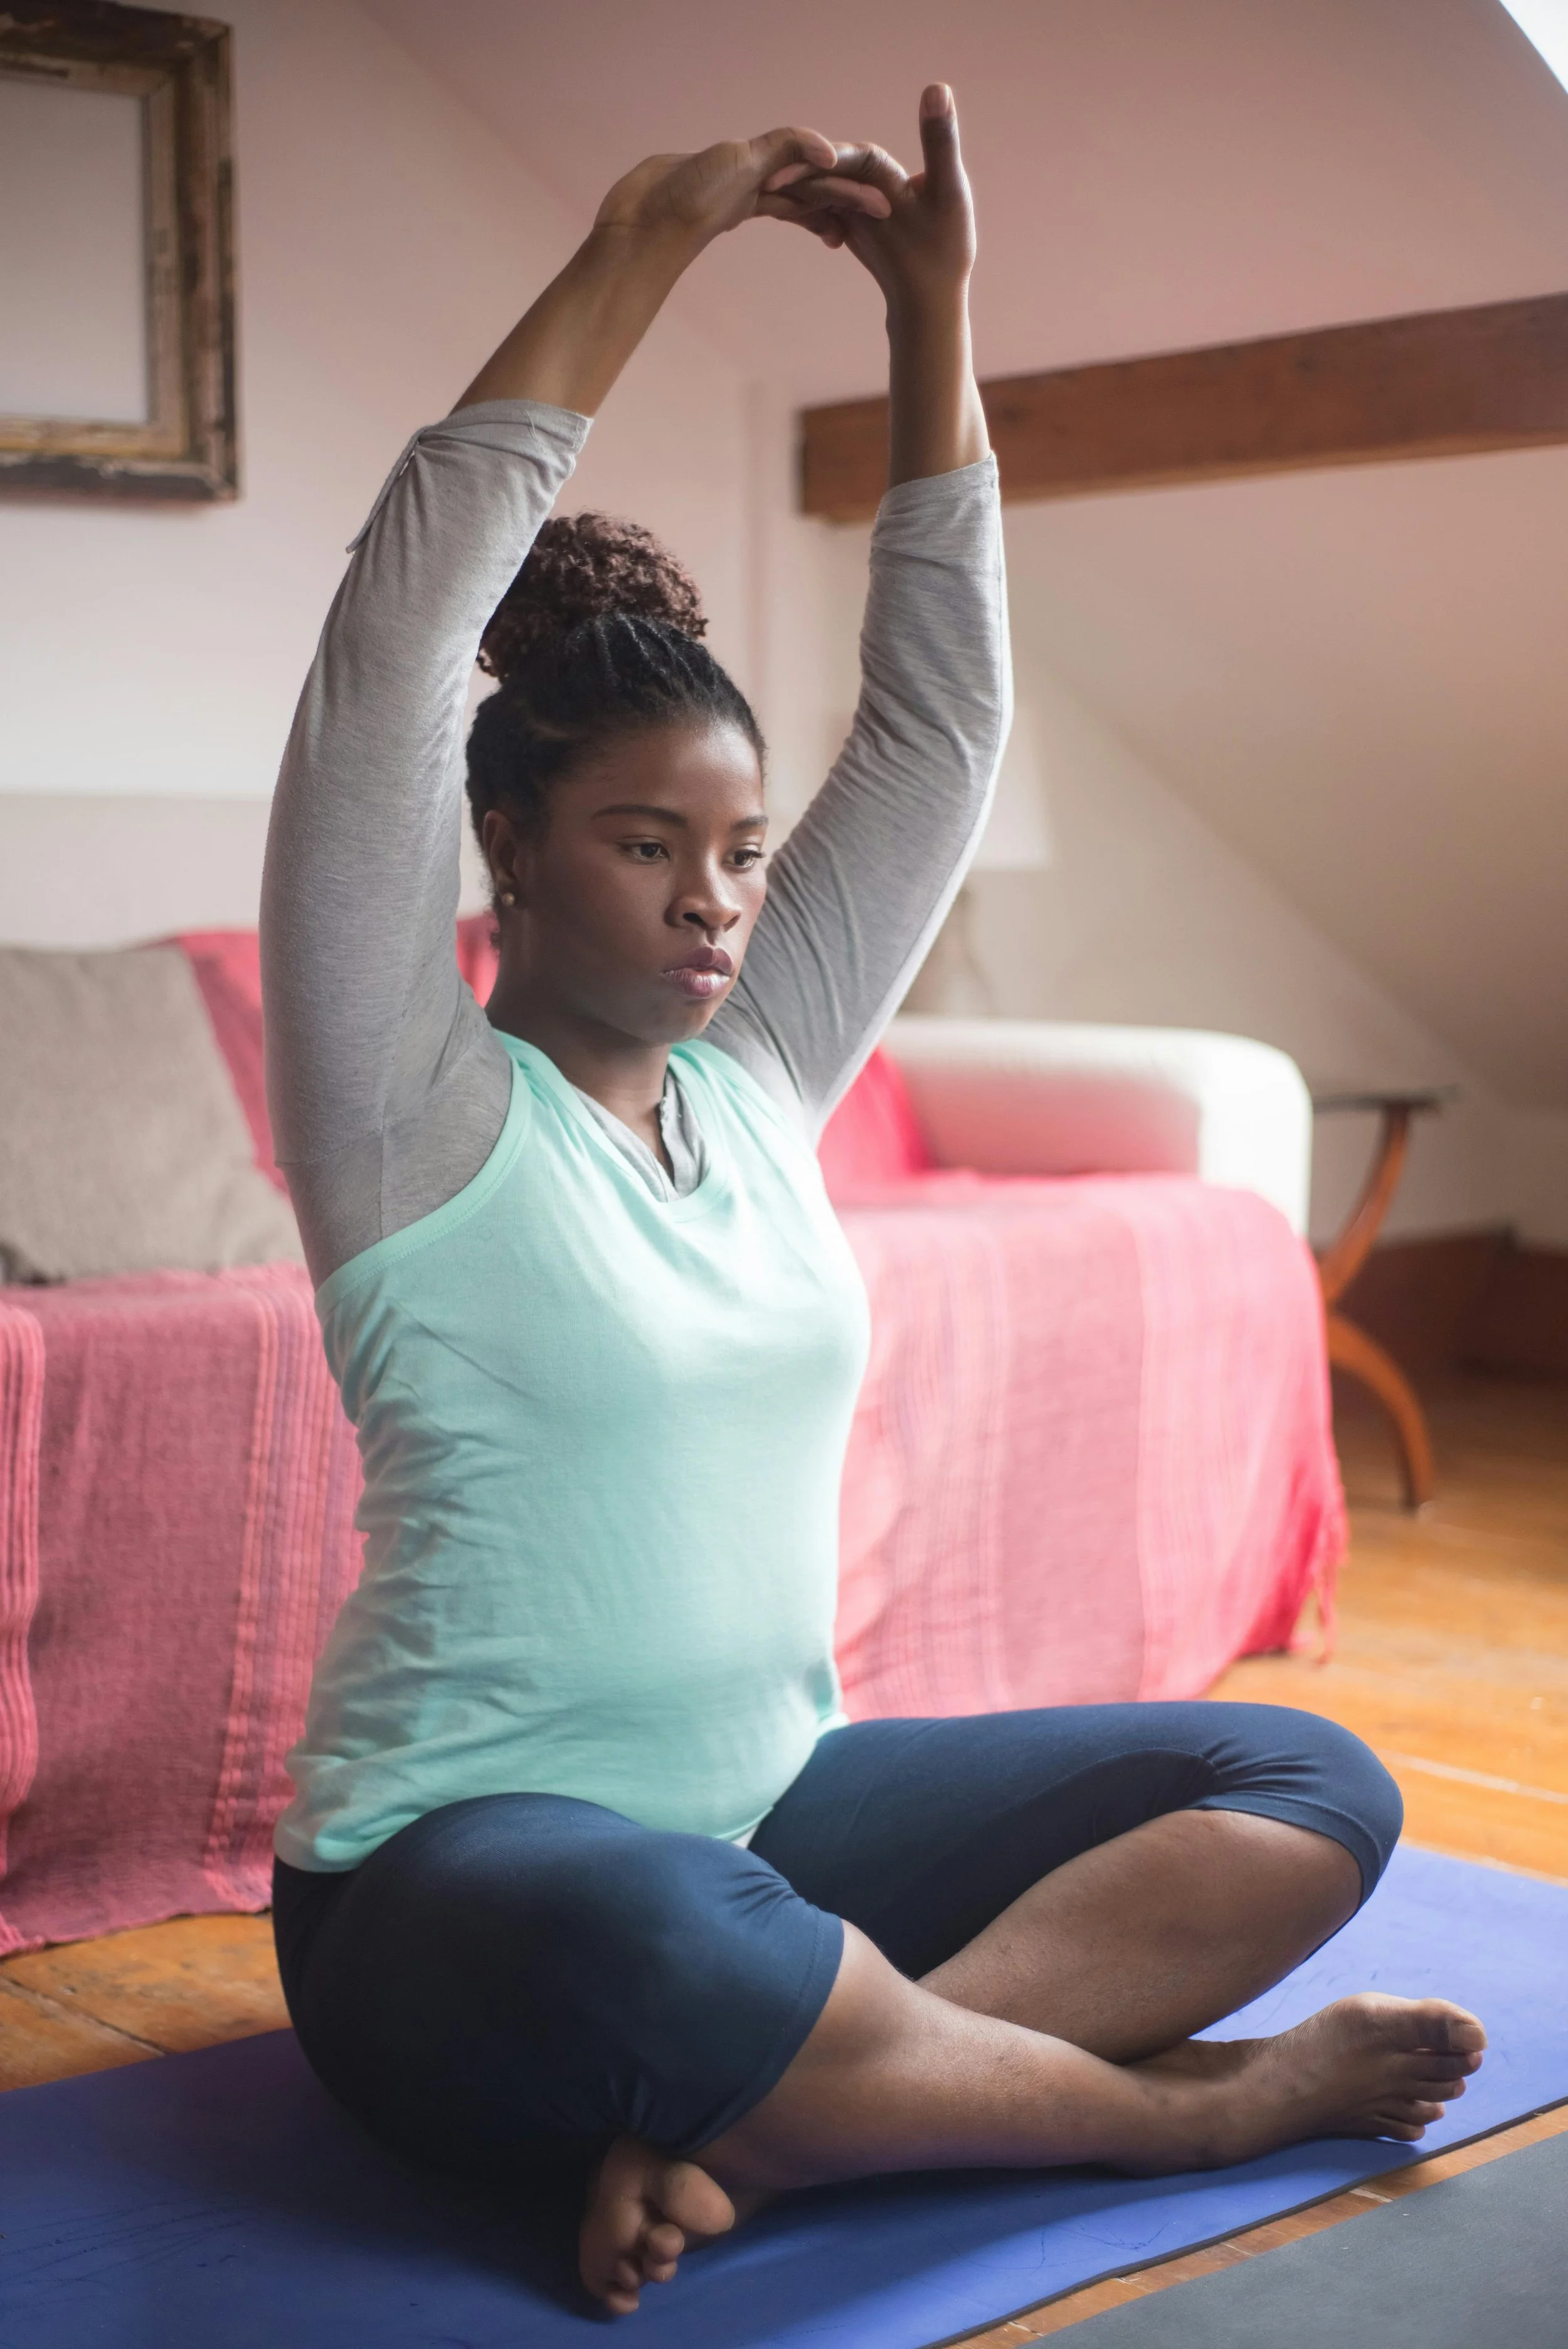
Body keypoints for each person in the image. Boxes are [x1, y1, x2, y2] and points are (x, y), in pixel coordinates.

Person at [260, 88, 1483, 2320]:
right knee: (659, 1933)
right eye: (649, 844)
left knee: (1299, 1782)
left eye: (736, 852)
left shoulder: (755, 1081)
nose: (718, 900)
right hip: (454, 1894)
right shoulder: (408, 1112)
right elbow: (387, 657)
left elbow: (930, 731)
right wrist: (636, 242)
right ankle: (1170, 2115)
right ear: (514, 849)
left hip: (770, 1827)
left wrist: (935, 318)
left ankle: (768, 2104)